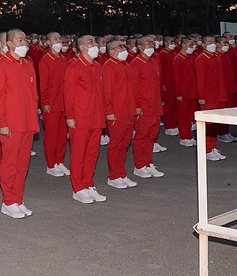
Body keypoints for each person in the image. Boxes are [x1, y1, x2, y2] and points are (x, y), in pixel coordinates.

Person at [0, 29, 39, 217]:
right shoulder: (0, 66)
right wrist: (3, 123)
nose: (25, 43)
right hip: (11, 124)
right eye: (20, 40)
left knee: (23, 165)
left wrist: (34, 121)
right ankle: (8, 201)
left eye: (25, 39)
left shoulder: (28, 65)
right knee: (10, 164)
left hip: (27, 122)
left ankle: (18, 198)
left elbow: (33, 96)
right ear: (9, 44)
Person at [64, 35, 107, 204]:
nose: (94, 44)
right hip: (81, 119)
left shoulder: (97, 66)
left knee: (92, 154)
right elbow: (69, 94)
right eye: (90, 42)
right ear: (81, 47)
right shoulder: (74, 66)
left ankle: (89, 184)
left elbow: (102, 94)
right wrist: (70, 116)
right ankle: (78, 188)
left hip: (96, 117)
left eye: (95, 42)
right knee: (79, 154)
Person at [102, 40, 142, 186]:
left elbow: (133, 89)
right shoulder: (108, 66)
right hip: (117, 113)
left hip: (128, 111)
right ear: (111, 51)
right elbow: (107, 91)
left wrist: (135, 107)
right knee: (116, 145)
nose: (124, 48)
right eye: (120, 47)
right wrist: (109, 111)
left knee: (125, 144)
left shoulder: (125, 64)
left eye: (123, 46)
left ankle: (122, 173)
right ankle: (113, 176)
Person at [129, 35, 165, 178]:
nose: (151, 45)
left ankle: (148, 162)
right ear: (140, 47)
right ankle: (139, 166)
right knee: (141, 137)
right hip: (143, 108)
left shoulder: (154, 62)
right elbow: (133, 88)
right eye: (148, 43)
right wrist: (136, 106)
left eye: (152, 42)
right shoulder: (135, 64)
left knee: (151, 136)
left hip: (155, 106)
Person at [38, 32, 71, 177]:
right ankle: (51, 164)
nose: (59, 41)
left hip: (64, 103)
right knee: (51, 135)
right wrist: (45, 102)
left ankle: (60, 161)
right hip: (51, 104)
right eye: (55, 39)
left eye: (59, 38)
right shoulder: (45, 60)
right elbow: (43, 84)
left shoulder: (64, 58)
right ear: (48, 43)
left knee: (62, 135)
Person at [194, 36, 228, 161]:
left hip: (219, 95)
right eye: (209, 42)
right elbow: (200, 80)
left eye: (214, 42)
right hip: (209, 97)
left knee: (215, 125)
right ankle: (206, 150)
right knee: (208, 125)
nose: (212, 44)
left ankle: (213, 147)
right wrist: (201, 96)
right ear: (203, 45)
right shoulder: (201, 59)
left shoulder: (217, 58)